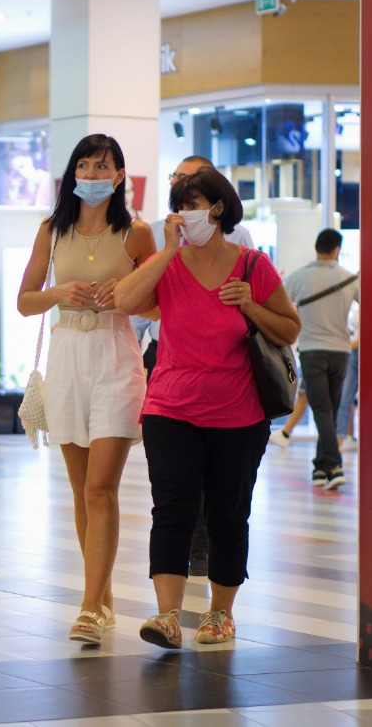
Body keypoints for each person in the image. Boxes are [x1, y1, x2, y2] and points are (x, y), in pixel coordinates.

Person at [115, 166, 300, 649]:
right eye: (178, 207)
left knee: (227, 514)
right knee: (172, 511)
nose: (184, 215)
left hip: (238, 413)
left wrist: (250, 305)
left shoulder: (253, 266)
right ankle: (168, 616)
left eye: (192, 206)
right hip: (170, 408)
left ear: (217, 209)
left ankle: (221, 613)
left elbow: (289, 328)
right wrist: (166, 251)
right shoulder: (169, 263)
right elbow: (125, 300)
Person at [17, 133, 156, 646]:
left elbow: (159, 303)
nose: (92, 175)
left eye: (102, 167)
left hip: (116, 354)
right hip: (67, 355)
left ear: (119, 176)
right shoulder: (52, 230)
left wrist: (127, 295)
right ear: (72, 173)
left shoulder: (137, 233)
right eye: (85, 165)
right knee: (81, 490)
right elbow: (25, 301)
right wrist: (58, 292)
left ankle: (90, 606)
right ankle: (102, 595)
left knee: (101, 487)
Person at [131, 155, 257, 577]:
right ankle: (175, 582)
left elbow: (265, 306)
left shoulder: (242, 243)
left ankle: (205, 553)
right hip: (167, 359)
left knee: (224, 496)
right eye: (177, 183)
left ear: (216, 199)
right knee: (174, 491)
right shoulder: (161, 235)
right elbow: (135, 300)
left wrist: (248, 306)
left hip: (230, 375)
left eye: (191, 185)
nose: (183, 202)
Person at [283, 229, 359, 490]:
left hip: (312, 351)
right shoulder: (349, 278)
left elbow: (280, 303)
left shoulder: (298, 277)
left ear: (317, 247)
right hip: (341, 353)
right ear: (336, 250)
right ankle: (321, 468)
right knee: (329, 410)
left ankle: (333, 466)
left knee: (322, 410)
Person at [336, 301, 360, 451]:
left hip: (361, 350)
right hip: (353, 353)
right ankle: (339, 442)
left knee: (347, 397)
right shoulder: (358, 305)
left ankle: (345, 439)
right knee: (345, 397)